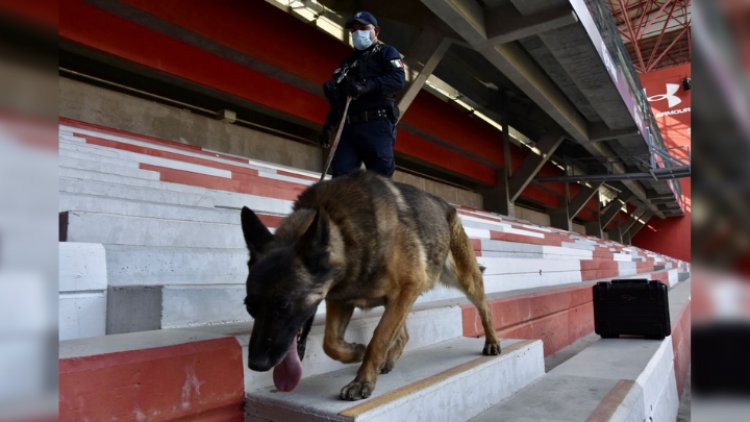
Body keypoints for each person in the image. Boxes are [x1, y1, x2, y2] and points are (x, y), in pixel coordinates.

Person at [319, 11, 406, 178]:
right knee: (340, 177)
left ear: (376, 30)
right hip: (349, 128)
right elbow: (341, 102)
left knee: (380, 179)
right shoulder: (347, 63)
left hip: (376, 125)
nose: (358, 33)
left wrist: (366, 86)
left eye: (363, 28)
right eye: (354, 29)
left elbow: (397, 79)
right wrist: (328, 126)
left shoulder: (386, 52)